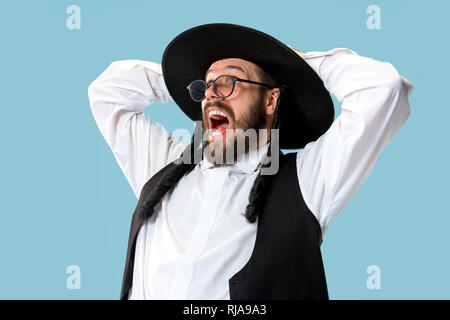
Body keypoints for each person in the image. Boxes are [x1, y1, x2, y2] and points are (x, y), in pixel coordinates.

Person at [88, 23, 413, 300]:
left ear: (272, 99)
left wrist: (298, 64)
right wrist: (179, 77)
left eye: (230, 82)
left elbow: (383, 90)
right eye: (207, 85)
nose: (212, 95)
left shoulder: (307, 182)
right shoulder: (162, 167)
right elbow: (107, 93)